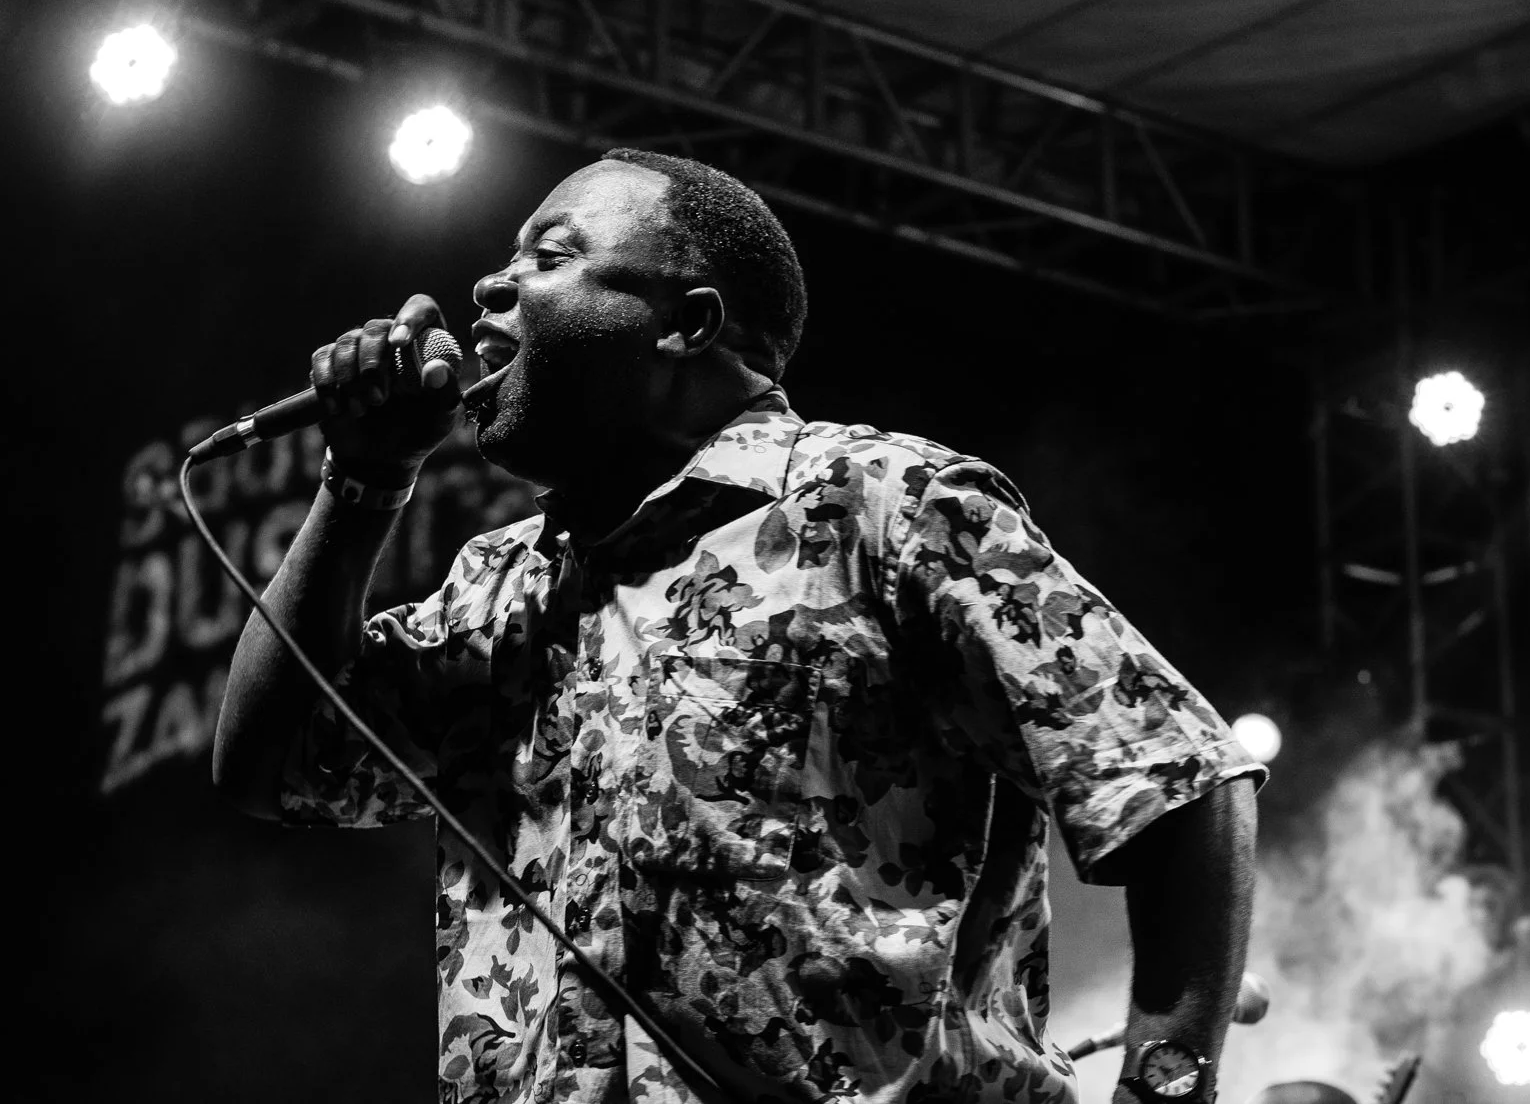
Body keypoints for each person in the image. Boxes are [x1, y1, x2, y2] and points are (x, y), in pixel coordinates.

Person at [213, 150, 1263, 1104]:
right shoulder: (498, 587)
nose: (490, 285)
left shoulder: (876, 503)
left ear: (687, 322)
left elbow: (1178, 777)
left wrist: (1165, 1086)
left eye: (550, 255)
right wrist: (364, 478)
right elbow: (274, 768)